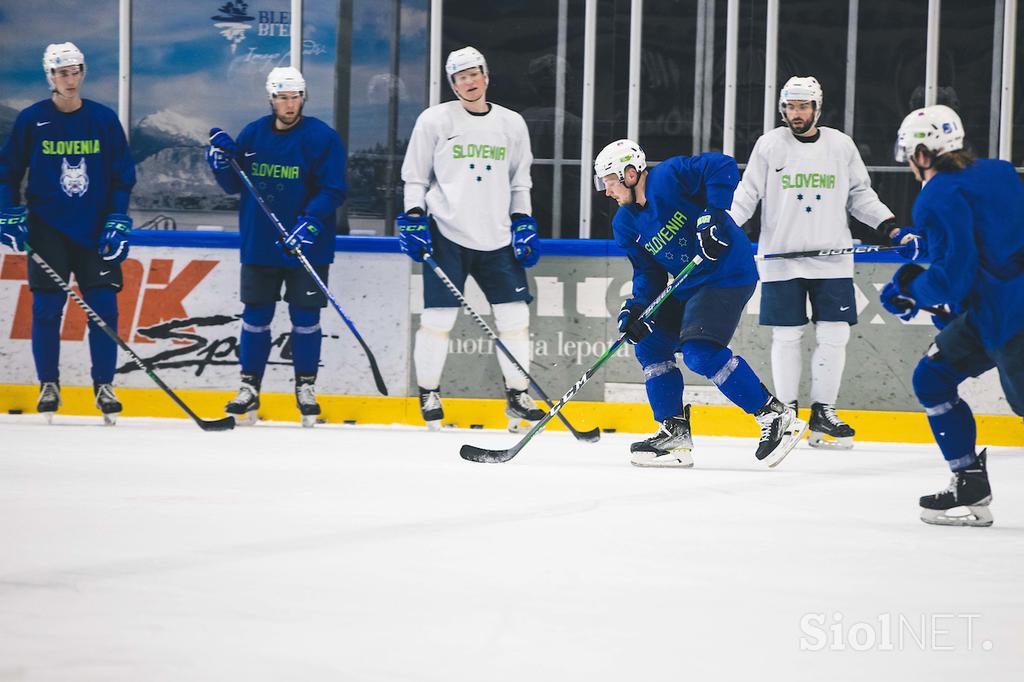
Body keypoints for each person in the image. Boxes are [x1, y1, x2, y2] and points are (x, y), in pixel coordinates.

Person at [595, 138, 808, 468]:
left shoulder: (669, 176)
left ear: (630, 173)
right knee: (650, 344)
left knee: (699, 353)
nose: (607, 191)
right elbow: (648, 273)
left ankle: (774, 416)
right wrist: (638, 306)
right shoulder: (624, 224)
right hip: (689, 285)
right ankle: (674, 433)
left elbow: (721, 165)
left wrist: (712, 215)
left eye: (610, 182)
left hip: (728, 274)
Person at [729, 76, 896, 449]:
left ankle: (823, 414)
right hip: (780, 260)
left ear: (817, 108)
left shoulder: (840, 146)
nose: (796, 113)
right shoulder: (770, 145)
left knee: (836, 335)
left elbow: (860, 195)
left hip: (832, 260)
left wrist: (889, 226)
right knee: (786, 336)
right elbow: (747, 194)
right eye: (790, 106)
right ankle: (787, 414)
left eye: (803, 106)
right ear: (782, 108)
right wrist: (724, 227)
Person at [880, 104, 1024, 527]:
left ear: (923, 154)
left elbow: (954, 278)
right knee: (933, 377)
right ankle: (969, 484)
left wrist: (910, 288)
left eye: (910, 154)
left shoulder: (936, 194)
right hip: (987, 314)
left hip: (1006, 316)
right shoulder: (999, 171)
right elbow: (985, 239)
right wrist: (930, 247)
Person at [398, 46, 544, 432]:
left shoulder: (511, 124)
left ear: (486, 75)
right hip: (446, 232)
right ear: (452, 83)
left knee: (515, 317)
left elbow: (520, 182)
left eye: (474, 73)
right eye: (460, 76)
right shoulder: (434, 120)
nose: (469, 81)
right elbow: (415, 176)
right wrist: (414, 216)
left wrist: (523, 222)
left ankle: (518, 395)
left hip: (497, 236)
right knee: (438, 318)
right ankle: (429, 391)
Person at [0, 42, 136, 425]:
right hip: (47, 232)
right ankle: (49, 384)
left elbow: (122, 176)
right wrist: (7, 212)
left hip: (95, 232)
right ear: (50, 77)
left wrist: (117, 218)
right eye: (62, 73)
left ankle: (104, 385)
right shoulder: (32, 119)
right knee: (46, 310)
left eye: (75, 71)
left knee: (104, 310)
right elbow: (7, 172)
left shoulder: (103, 120)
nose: (70, 79)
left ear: (83, 73)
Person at [207, 66, 347, 427]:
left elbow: (333, 188)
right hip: (260, 242)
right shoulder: (253, 134)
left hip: (307, 247)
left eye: (295, 96)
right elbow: (232, 185)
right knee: (256, 317)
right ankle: (249, 386)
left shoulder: (322, 137)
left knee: (305, 318)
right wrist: (221, 164)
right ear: (271, 98)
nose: (289, 103)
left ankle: (305, 386)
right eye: (283, 97)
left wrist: (311, 220)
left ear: (304, 97)